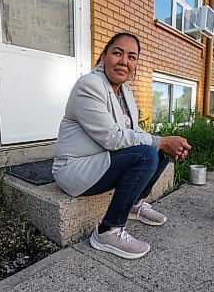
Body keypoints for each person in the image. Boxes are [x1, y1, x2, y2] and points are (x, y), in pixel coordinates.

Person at [52, 32, 191, 259]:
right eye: (117, 53)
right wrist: (160, 142)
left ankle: (135, 204)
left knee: (159, 150)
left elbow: (135, 133)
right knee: (148, 152)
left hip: (101, 160)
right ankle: (108, 230)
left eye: (132, 57)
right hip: (75, 169)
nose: (124, 61)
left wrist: (164, 143)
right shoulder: (89, 85)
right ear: (104, 56)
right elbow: (113, 138)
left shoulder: (124, 91)